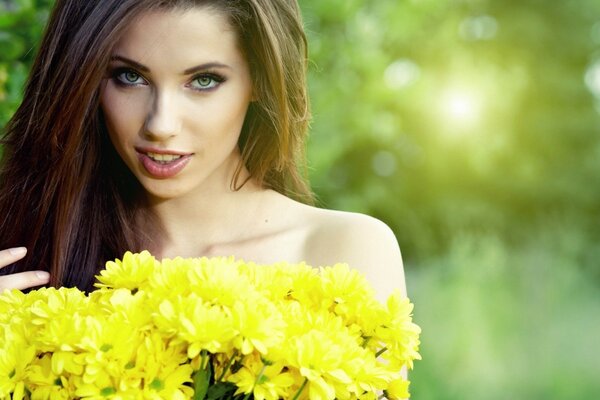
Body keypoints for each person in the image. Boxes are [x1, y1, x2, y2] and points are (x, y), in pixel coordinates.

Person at [0, 0, 405, 305]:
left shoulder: (344, 252)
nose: (160, 124)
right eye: (129, 77)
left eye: (204, 81)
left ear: (261, 81)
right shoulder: (30, 245)